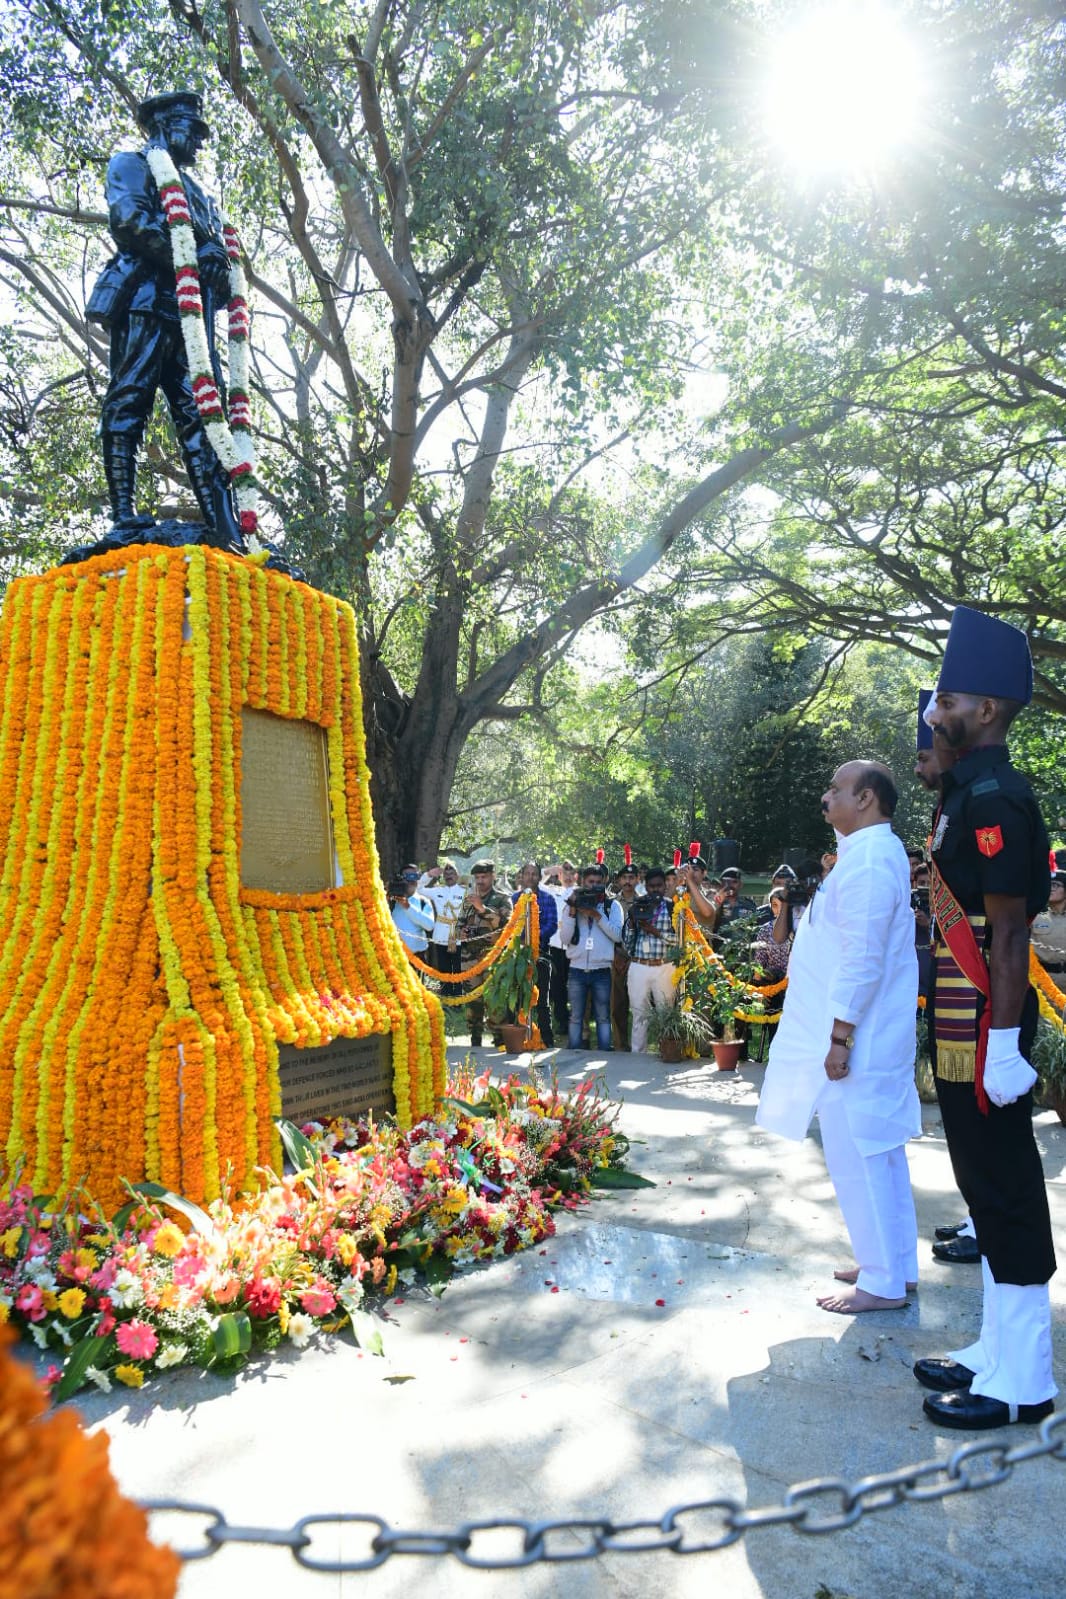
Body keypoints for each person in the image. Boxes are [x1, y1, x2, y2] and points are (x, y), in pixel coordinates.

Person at [918, 607, 1056, 1430]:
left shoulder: (999, 794)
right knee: (980, 1186)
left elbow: (1008, 930)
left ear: (989, 710)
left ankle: (1027, 1378)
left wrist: (1003, 1044)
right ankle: (996, 1350)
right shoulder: (966, 790)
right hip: (964, 1018)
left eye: (949, 700)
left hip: (988, 1027)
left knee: (1006, 1193)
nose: (936, 713)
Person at [756, 760, 921, 1314]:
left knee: (861, 1156)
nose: (826, 797)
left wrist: (841, 1036)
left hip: (860, 1039)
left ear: (867, 798)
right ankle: (893, 1263)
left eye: (835, 789)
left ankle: (881, 1280)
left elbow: (863, 958)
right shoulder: (867, 852)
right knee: (880, 1154)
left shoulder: (872, 860)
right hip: (859, 1034)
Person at [87, 91, 244, 548]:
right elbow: (130, 221)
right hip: (145, 301)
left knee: (205, 417)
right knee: (129, 398)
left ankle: (226, 527)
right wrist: (198, 254)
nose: (198, 142)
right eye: (191, 130)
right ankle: (123, 515)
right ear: (163, 126)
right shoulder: (132, 164)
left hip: (192, 316)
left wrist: (217, 266)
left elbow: (213, 250)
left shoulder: (201, 195)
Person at [913, 689, 979, 1266]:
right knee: (962, 1131)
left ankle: (987, 1224)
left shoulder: (985, 802)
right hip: (951, 989)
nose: (919, 763)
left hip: (979, 1000)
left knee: (985, 1132)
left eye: (925, 752)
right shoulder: (949, 808)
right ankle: (977, 1215)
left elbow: (1004, 923)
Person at [558, 863, 624, 1051]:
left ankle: (604, 1053)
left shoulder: (612, 906)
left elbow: (617, 936)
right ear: (582, 882)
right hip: (576, 969)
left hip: (602, 969)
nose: (594, 886)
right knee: (576, 1016)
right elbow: (564, 938)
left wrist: (597, 915)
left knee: (603, 1016)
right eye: (590, 882)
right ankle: (574, 1051)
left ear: (603, 882)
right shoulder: (573, 903)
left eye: (598, 882)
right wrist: (572, 911)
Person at [622, 867, 680, 1052]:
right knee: (639, 1014)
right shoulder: (637, 906)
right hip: (639, 965)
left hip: (664, 966)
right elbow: (627, 944)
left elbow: (679, 941)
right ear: (646, 887)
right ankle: (638, 1057)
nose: (655, 889)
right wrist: (632, 923)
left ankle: (667, 1053)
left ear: (665, 886)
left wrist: (654, 931)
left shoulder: (672, 907)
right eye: (651, 886)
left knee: (666, 1014)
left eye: (659, 886)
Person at [456, 861, 511, 1047]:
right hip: (469, 959)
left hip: (493, 959)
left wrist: (482, 909)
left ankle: (499, 1040)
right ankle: (475, 1039)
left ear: (493, 876)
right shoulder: (468, 900)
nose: (480, 881)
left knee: (495, 1001)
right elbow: (458, 926)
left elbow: (507, 926)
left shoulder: (502, 899)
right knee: (472, 1002)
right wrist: (460, 933)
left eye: (484, 877)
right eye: (477, 877)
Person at [511, 862, 558, 1047]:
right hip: (518, 954)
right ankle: (518, 1039)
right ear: (521, 876)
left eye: (534, 874)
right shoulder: (514, 898)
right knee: (518, 998)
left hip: (541, 954)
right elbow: (511, 924)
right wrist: (522, 940)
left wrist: (534, 938)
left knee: (542, 1001)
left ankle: (547, 1040)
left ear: (539, 877)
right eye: (527, 873)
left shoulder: (547, 899)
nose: (530, 877)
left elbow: (552, 925)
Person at [542, 861, 577, 1042]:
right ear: (559, 876)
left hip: (574, 945)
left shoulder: (579, 892)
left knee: (575, 986)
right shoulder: (554, 891)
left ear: (576, 875)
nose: (568, 877)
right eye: (564, 873)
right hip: (556, 946)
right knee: (557, 986)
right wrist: (548, 871)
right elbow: (537, 885)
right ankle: (562, 1020)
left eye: (571, 873)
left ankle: (576, 1020)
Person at [610, 860, 640, 1050]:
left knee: (639, 1006)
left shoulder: (643, 901)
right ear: (619, 880)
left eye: (631, 877)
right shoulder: (612, 903)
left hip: (638, 959)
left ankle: (640, 1046)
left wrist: (633, 957)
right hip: (616, 958)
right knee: (617, 1006)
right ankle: (621, 1045)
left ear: (638, 879)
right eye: (624, 878)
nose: (628, 881)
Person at [421, 862, 465, 976]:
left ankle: (457, 993)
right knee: (443, 968)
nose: (449, 876)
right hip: (441, 935)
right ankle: (445, 992)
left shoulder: (465, 892)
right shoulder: (437, 891)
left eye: (452, 873)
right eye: (446, 873)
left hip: (458, 934)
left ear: (457, 875)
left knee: (458, 968)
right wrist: (428, 875)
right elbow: (417, 889)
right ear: (443, 876)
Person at [387, 865, 434, 955]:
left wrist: (408, 907)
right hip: (395, 955)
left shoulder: (423, 901)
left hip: (417, 955)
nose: (411, 880)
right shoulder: (392, 900)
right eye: (407, 876)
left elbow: (429, 926)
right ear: (400, 878)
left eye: (414, 876)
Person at [1030, 871, 1066, 977]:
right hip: (1044, 980)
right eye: (1048, 885)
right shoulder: (1034, 918)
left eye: (1055, 885)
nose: (1051, 888)